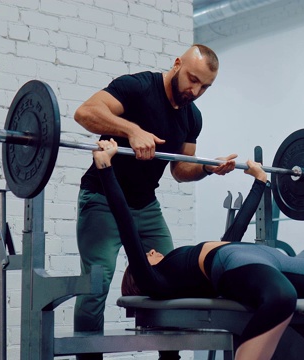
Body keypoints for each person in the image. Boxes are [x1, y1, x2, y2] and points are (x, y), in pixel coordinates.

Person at [94, 139, 304, 360]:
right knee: (281, 299)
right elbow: (126, 226)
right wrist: (106, 168)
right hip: (238, 264)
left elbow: (233, 236)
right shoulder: (152, 279)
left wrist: (261, 183)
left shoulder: (176, 262)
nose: (150, 250)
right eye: (145, 255)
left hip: (270, 259)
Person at [73, 45, 235, 360]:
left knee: (171, 279)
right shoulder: (137, 87)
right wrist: (131, 131)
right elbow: (86, 112)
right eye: (192, 79)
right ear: (177, 64)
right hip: (102, 198)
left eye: (204, 86)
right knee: (96, 284)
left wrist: (207, 168)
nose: (195, 90)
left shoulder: (192, 116)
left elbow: (180, 169)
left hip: (145, 205)